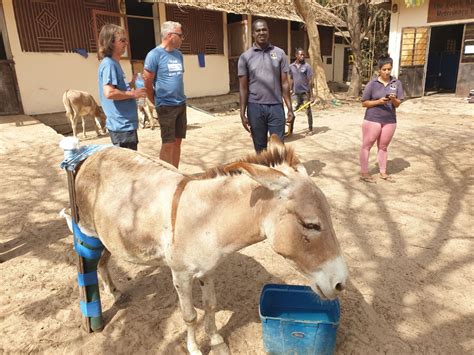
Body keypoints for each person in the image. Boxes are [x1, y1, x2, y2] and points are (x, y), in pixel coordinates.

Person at [238, 19, 294, 153]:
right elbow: (243, 88)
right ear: (253, 33)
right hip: (255, 108)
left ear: (268, 31)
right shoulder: (245, 57)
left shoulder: (279, 53)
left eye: (264, 29)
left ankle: (279, 172)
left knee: (279, 148)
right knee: (260, 148)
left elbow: (285, 83)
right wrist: (242, 112)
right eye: (258, 30)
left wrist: (290, 108)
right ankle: (263, 173)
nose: (261, 33)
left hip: (276, 107)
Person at [143, 21, 186, 168]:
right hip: (166, 105)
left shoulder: (179, 55)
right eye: (180, 35)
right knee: (168, 143)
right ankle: (165, 176)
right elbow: (147, 81)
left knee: (178, 141)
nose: (182, 38)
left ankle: (176, 172)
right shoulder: (154, 55)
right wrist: (153, 100)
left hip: (180, 104)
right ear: (170, 35)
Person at [97, 24, 146, 150]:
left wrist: (131, 83)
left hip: (125, 125)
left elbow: (117, 89)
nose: (126, 43)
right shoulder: (109, 65)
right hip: (121, 126)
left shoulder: (114, 63)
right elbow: (109, 93)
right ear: (111, 43)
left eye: (126, 40)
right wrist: (133, 94)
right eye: (122, 40)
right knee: (127, 167)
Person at [359, 54, 404, 182]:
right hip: (372, 119)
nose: (386, 72)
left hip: (389, 120)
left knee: (383, 147)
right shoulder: (372, 84)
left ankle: (383, 172)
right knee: (367, 145)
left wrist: (394, 99)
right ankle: (364, 172)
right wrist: (378, 102)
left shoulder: (396, 83)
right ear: (379, 69)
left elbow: (398, 104)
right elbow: (364, 103)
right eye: (384, 69)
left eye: (389, 69)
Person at [289, 48, 314, 136]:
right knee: (292, 112)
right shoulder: (291, 66)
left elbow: (310, 81)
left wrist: (311, 95)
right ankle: (290, 130)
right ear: (296, 55)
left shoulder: (307, 66)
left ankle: (310, 129)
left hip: (305, 93)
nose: (302, 56)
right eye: (300, 54)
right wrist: (290, 89)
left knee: (308, 111)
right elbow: (291, 79)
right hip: (295, 94)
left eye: (303, 55)